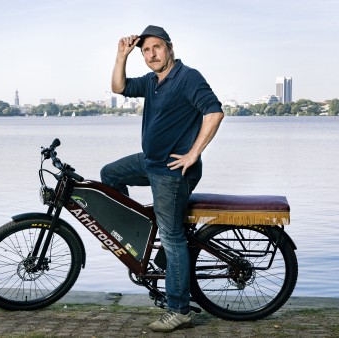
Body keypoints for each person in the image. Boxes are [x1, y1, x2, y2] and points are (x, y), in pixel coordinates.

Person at [101, 25, 224, 333]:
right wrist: (121, 56)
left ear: (170, 48)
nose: (151, 54)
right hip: (151, 163)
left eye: (156, 47)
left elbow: (214, 112)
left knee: (172, 239)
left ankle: (180, 310)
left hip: (172, 172)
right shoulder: (153, 82)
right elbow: (118, 88)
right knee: (110, 174)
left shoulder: (187, 78)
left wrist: (193, 153)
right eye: (145, 50)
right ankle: (131, 231)